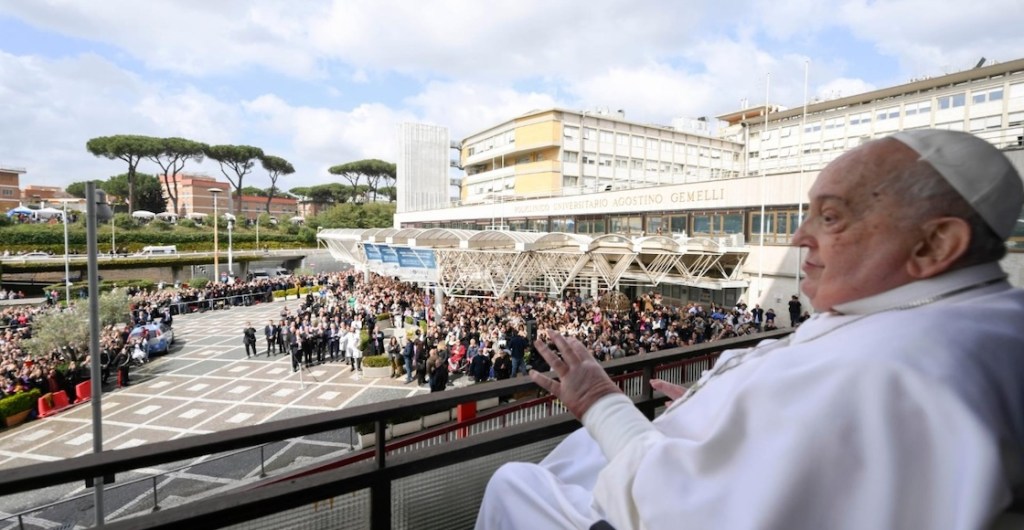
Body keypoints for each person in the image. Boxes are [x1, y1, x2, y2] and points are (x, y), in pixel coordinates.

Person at [476, 129, 1024, 530]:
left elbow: (686, 510)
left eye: (830, 217)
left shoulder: (893, 366)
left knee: (515, 485)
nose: (799, 238)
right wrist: (712, 403)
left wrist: (598, 399)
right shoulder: (964, 316)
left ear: (934, 244)